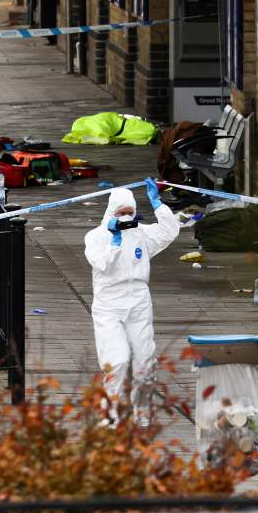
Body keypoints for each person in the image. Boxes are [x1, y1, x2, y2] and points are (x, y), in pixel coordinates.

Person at [84, 178, 180, 425]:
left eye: (130, 212)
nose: (126, 217)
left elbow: (169, 231)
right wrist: (114, 242)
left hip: (138, 301)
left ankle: (142, 412)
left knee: (144, 360)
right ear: (111, 213)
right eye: (121, 212)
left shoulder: (142, 234)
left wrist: (157, 204)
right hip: (109, 305)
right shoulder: (96, 237)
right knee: (116, 361)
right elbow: (102, 263)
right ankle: (109, 414)